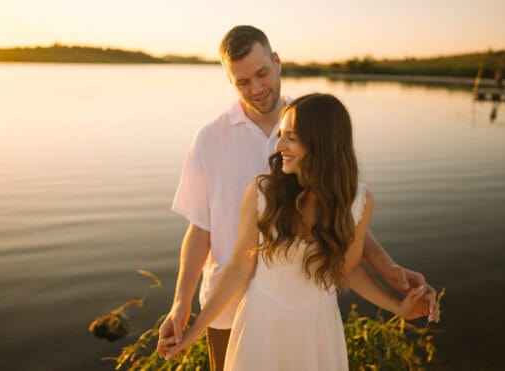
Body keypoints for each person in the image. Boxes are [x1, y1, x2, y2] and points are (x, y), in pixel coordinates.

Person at [157, 25, 440, 370]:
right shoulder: (209, 140)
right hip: (228, 306)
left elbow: (341, 216)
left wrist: (389, 270)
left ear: (277, 62)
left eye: (261, 73)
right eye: (242, 81)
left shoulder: (311, 120)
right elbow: (200, 229)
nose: (256, 88)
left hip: (310, 319)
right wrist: (181, 304)